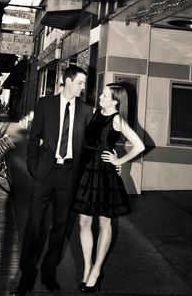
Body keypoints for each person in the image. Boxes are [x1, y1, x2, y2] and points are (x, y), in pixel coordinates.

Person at [12, 65, 93, 296]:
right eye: (79, 83)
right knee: (34, 224)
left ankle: (49, 272)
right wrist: (34, 167)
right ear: (67, 81)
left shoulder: (86, 111)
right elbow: (33, 137)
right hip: (45, 172)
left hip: (69, 175)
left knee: (60, 226)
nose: (82, 87)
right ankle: (26, 274)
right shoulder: (45, 104)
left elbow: (89, 145)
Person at [73, 83, 145, 293]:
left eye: (105, 95)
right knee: (84, 221)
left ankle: (96, 271)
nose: (100, 97)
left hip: (104, 173)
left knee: (105, 222)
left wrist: (118, 160)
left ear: (115, 101)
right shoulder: (95, 113)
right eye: (102, 94)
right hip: (87, 170)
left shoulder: (118, 120)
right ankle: (87, 267)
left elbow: (139, 145)